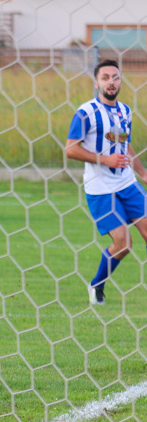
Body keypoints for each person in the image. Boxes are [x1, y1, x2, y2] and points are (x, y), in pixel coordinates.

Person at [65, 60, 147, 305]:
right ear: (96, 82)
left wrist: (142, 173)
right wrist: (105, 160)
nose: (111, 82)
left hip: (128, 184)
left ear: (120, 81)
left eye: (115, 77)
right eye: (105, 78)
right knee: (123, 244)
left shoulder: (124, 111)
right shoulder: (85, 113)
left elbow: (124, 144)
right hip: (100, 189)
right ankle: (97, 285)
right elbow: (70, 149)